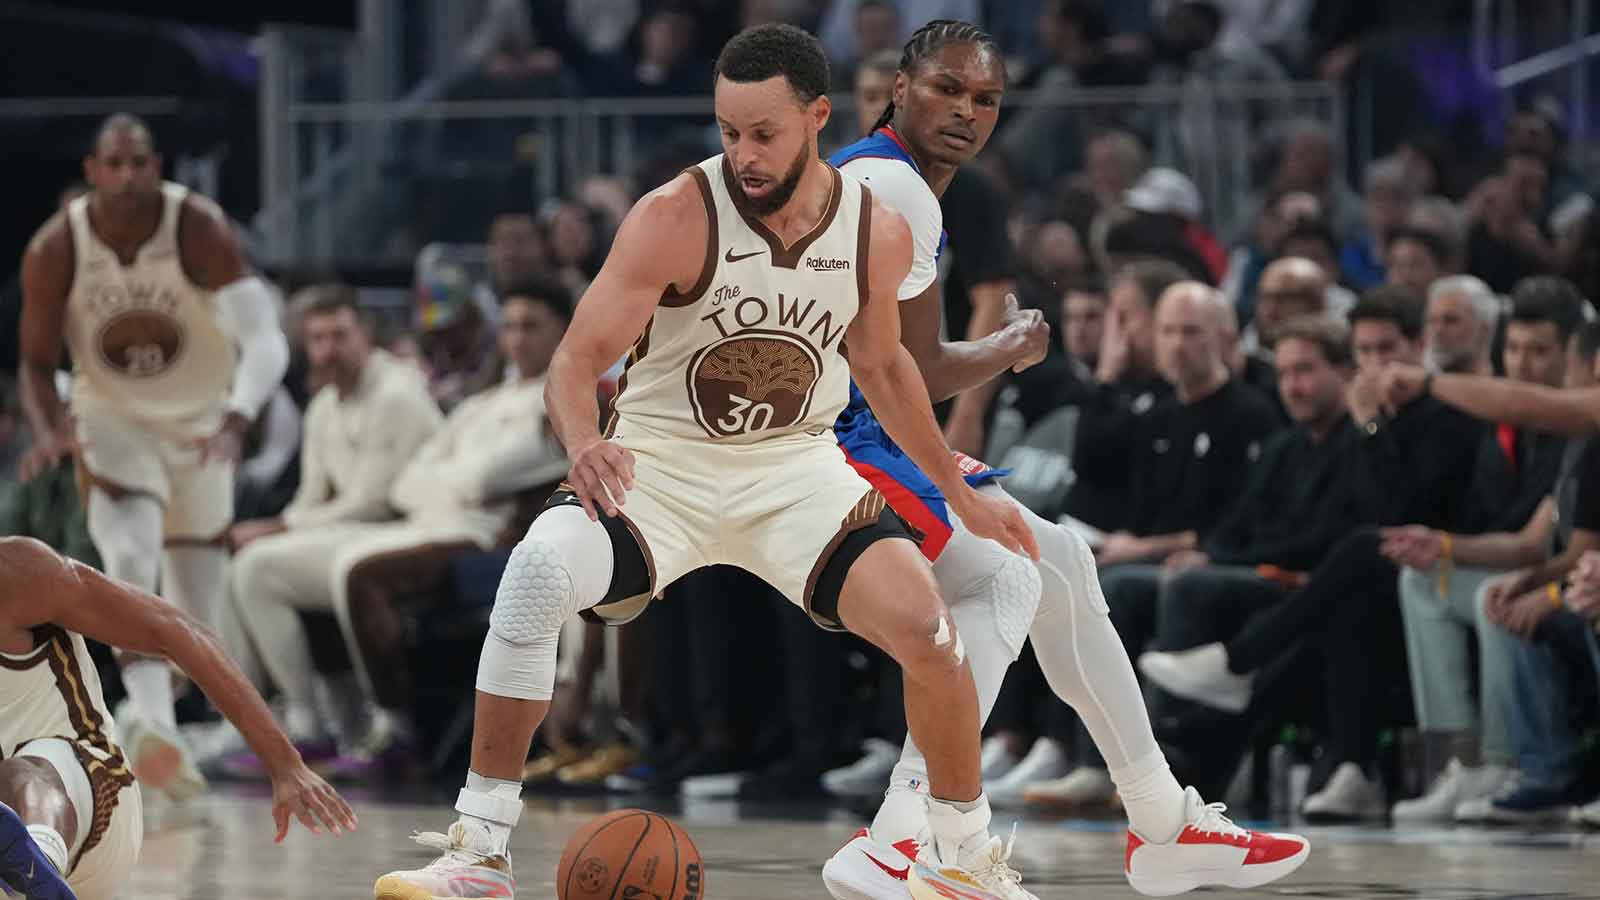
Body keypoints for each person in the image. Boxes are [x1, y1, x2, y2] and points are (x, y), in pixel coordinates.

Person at [371, 24, 1040, 900]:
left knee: (931, 630)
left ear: (818, 117)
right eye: (729, 131)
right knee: (534, 575)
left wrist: (958, 493)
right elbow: (574, 362)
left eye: (764, 133)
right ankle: (480, 850)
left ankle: (960, 861)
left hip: (797, 471)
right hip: (665, 470)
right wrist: (584, 444)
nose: (744, 153)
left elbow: (885, 370)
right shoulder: (675, 215)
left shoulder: (872, 230)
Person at [822, 20, 1307, 900]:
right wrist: (947, 479)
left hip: (859, 427)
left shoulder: (905, 182)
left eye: (986, 99)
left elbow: (919, 362)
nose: (967, 112)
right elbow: (871, 365)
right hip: (824, 437)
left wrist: (1002, 349)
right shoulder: (890, 182)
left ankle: (1161, 821)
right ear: (899, 87)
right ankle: (900, 835)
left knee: (1064, 560)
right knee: (1006, 575)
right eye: (946, 90)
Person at [16, 114, 290, 804]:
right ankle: (160, 732)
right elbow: (35, 360)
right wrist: (52, 427)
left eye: (140, 163)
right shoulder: (58, 246)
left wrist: (238, 416)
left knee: (194, 612)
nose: (129, 176)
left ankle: (148, 711)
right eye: (115, 163)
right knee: (131, 558)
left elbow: (266, 340)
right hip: (112, 417)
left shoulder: (197, 227)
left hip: (200, 423)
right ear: (92, 170)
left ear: (156, 165)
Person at [0, 536, 356, 900]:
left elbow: (178, 631)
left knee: (16, 774)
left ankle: (35, 860)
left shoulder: (17, 573)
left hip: (94, 802)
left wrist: (284, 764)